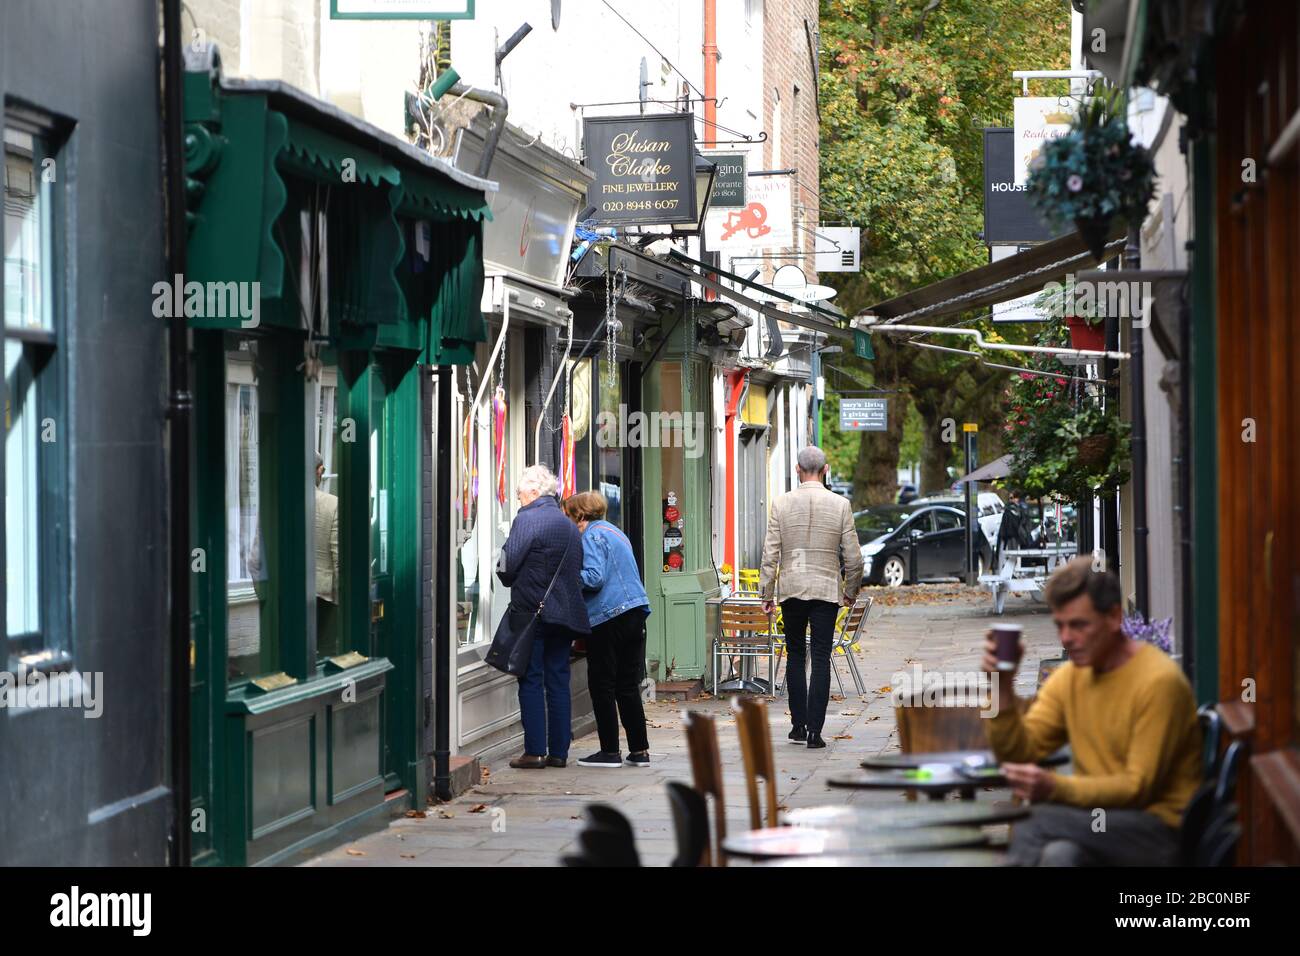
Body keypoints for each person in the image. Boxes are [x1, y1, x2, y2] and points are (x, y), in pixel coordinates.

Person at [981, 557, 1202, 866]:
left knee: (1035, 820)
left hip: (1159, 832)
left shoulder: (1158, 681)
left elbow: (1136, 787)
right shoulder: (1070, 679)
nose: (1067, 638)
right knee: (1060, 856)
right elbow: (1019, 752)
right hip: (1099, 825)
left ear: (1113, 617)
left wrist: (1055, 787)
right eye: (1060, 625)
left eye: (1079, 625)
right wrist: (1001, 685)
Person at [759, 445, 863, 749]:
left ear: (797, 470)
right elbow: (854, 558)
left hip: (791, 589)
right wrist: (850, 591)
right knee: (820, 657)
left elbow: (770, 554)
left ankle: (798, 727)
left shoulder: (781, 504)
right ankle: (816, 732)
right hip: (826, 590)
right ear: (826, 469)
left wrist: (767, 591)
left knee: (795, 655)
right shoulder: (841, 505)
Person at [496, 465, 590, 769]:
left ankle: (535, 751)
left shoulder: (527, 518)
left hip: (532, 615)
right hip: (564, 615)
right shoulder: (567, 524)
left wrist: (503, 569)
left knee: (531, 678)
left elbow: (507, 568)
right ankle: (559, 752)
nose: (518, 498)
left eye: (520, 493)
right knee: (558, 680)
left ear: (534, 492)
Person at [562, 491, 652, 769]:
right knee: (627, 685)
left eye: (568, 514)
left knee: (602, 684)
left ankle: (609, 751)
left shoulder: (590, 536)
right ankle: (639, 751)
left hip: (609, 616)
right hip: (635, 611)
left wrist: (565, 575)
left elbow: (594, 577)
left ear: (579, 515)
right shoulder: (615, 532)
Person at [314, 453, 341, 656]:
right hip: (323, 599)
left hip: (282, 599)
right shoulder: (332, 504)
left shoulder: (274, 501)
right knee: (325, 658)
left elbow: (255, 560)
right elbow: (338, 559)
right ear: (319, 470)